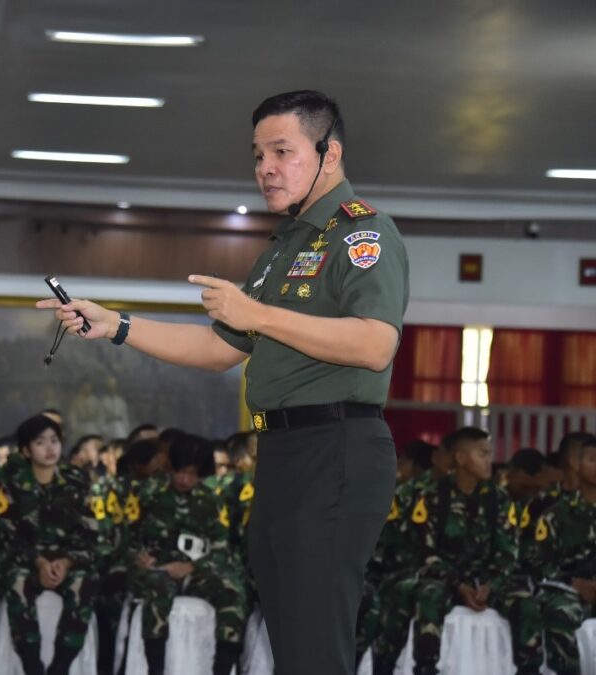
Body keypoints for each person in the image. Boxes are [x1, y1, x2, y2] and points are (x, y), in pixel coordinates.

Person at [40, 89, 408, 674]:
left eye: (283, 151)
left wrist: (255, 314)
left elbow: (374, 344)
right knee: (291, 639)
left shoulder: (363, 234)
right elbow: (218, 349)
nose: (265, 168)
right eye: (258, 154)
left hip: (336, 448)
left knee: (316, 640)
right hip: (284, 451)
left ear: (328, 154)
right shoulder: (282, 249)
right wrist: (116, 326)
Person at [374, 427, 541, 675]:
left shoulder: (499, 499)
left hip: (486, 580)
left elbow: (507, 553)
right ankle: (426, 667)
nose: (489, 460)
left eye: (490, 453)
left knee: (525, 603)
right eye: (482, 453)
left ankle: (529, 670)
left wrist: (490, 585)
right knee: (429, 594)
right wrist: (458, 586)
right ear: (461, 458)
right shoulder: (432, 497)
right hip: (444, 578)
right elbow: (426, 553)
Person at [127, 433, 250, 675]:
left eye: (193, 474)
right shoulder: (148, 493)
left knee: (233, 590)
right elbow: (127, 536)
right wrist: (139, 557)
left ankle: (223, 668)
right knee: (158, 589)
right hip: (156, 569)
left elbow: (221, 549)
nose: (185, 479)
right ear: (170, 467)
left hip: (195, 570)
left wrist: (192, 568)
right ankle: (155, 668)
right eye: (180, 471)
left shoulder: (211, 502)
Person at [0, 415, 100, 675]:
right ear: (26, 450)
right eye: (40, 442)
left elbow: (91, 534)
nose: (50, 448)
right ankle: (31, 664)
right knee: (17, 581)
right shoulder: (11, 483)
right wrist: (39, 562)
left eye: (54, 441)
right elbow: (6, 536)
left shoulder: (77, 481)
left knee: (85, 581)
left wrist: (66, 562)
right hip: (26, 562)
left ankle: (61, 665)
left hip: (66, 562)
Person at [531, 434, 596, 674]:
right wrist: (574, 583)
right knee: (559, 611)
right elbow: (539, 563)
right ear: (576, 465)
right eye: (592, 459)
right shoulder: (556, 514)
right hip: (572, 592)